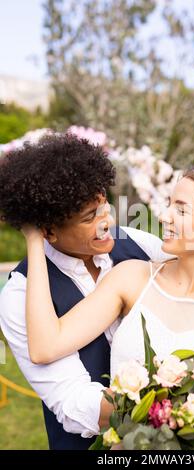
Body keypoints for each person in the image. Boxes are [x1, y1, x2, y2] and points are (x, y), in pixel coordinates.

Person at [22, 166, 194, 436]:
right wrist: (34, 240)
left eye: (181, 210)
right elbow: (45, 347)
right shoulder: (132, 278)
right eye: (169, 204)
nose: (163, 216)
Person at [0, 134, 173, 450]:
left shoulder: (135, 244)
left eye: (104, 205)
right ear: (48, 231)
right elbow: (70, 401)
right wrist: (167, 411)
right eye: (89, 217)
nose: (106, 221)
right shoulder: (19, 295)